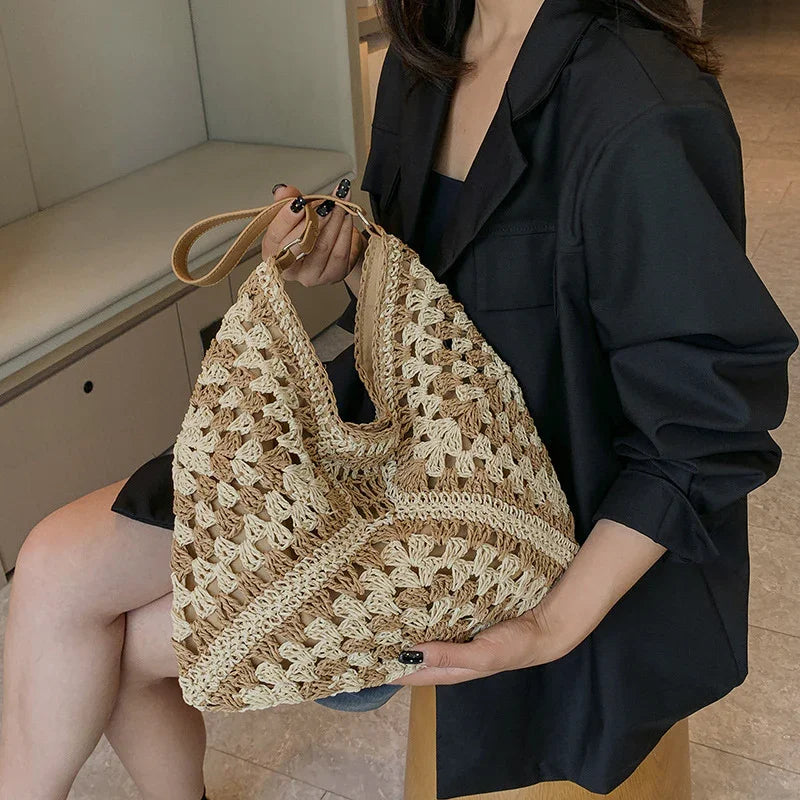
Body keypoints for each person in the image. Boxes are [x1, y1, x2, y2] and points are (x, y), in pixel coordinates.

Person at [0, 1, 796, 798]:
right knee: (52, 572)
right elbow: (437, 299)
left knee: (127, 645)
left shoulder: (641, 104)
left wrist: (549, 628)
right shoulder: (428, 51)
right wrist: (339, 256)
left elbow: (707, 422)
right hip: (392, 450)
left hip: (511, 514)